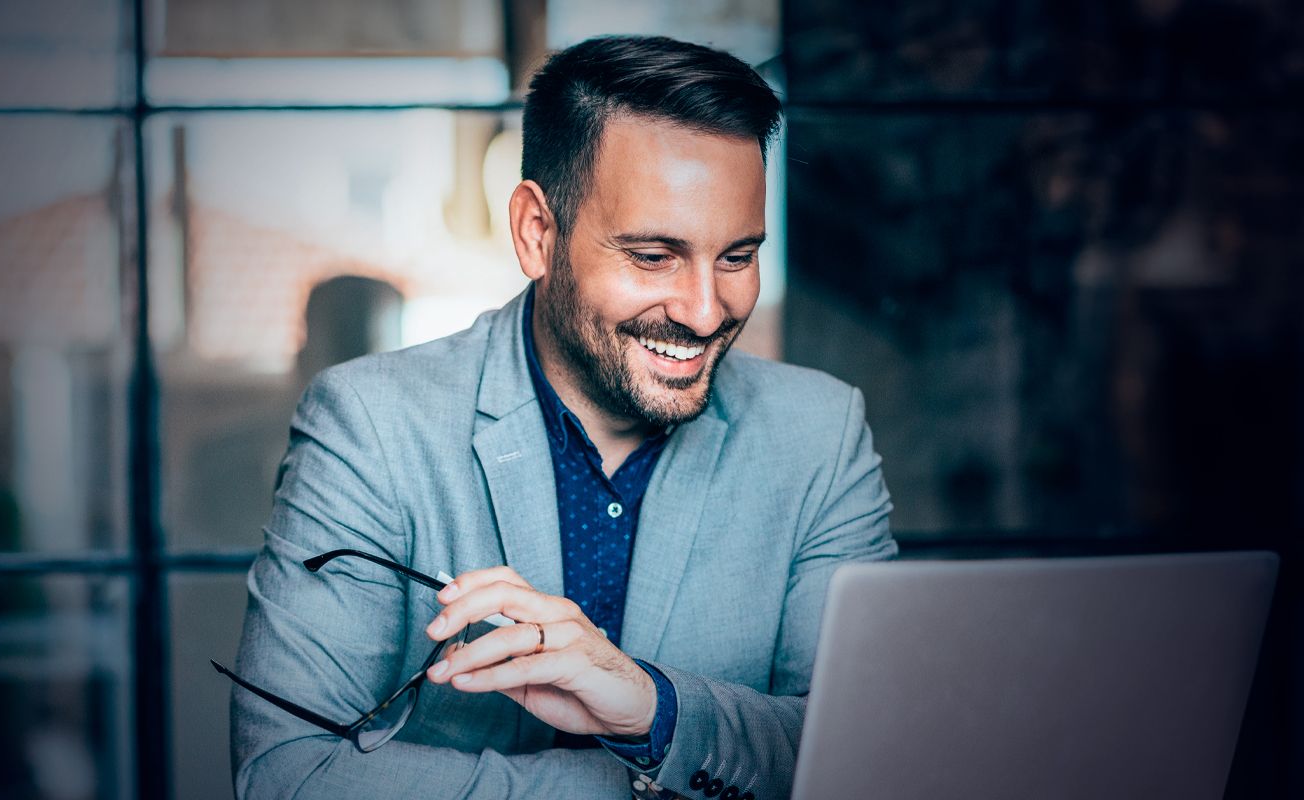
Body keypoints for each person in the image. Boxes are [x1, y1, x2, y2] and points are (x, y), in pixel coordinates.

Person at [224, 35, 896, 800]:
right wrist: (632, 778)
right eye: (654, 257)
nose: (707, 311)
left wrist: (652, 708)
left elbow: (860, 755)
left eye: (738, 257)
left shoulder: (821, 434)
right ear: (537, 233)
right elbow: (288, 775)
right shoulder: (371, 425)